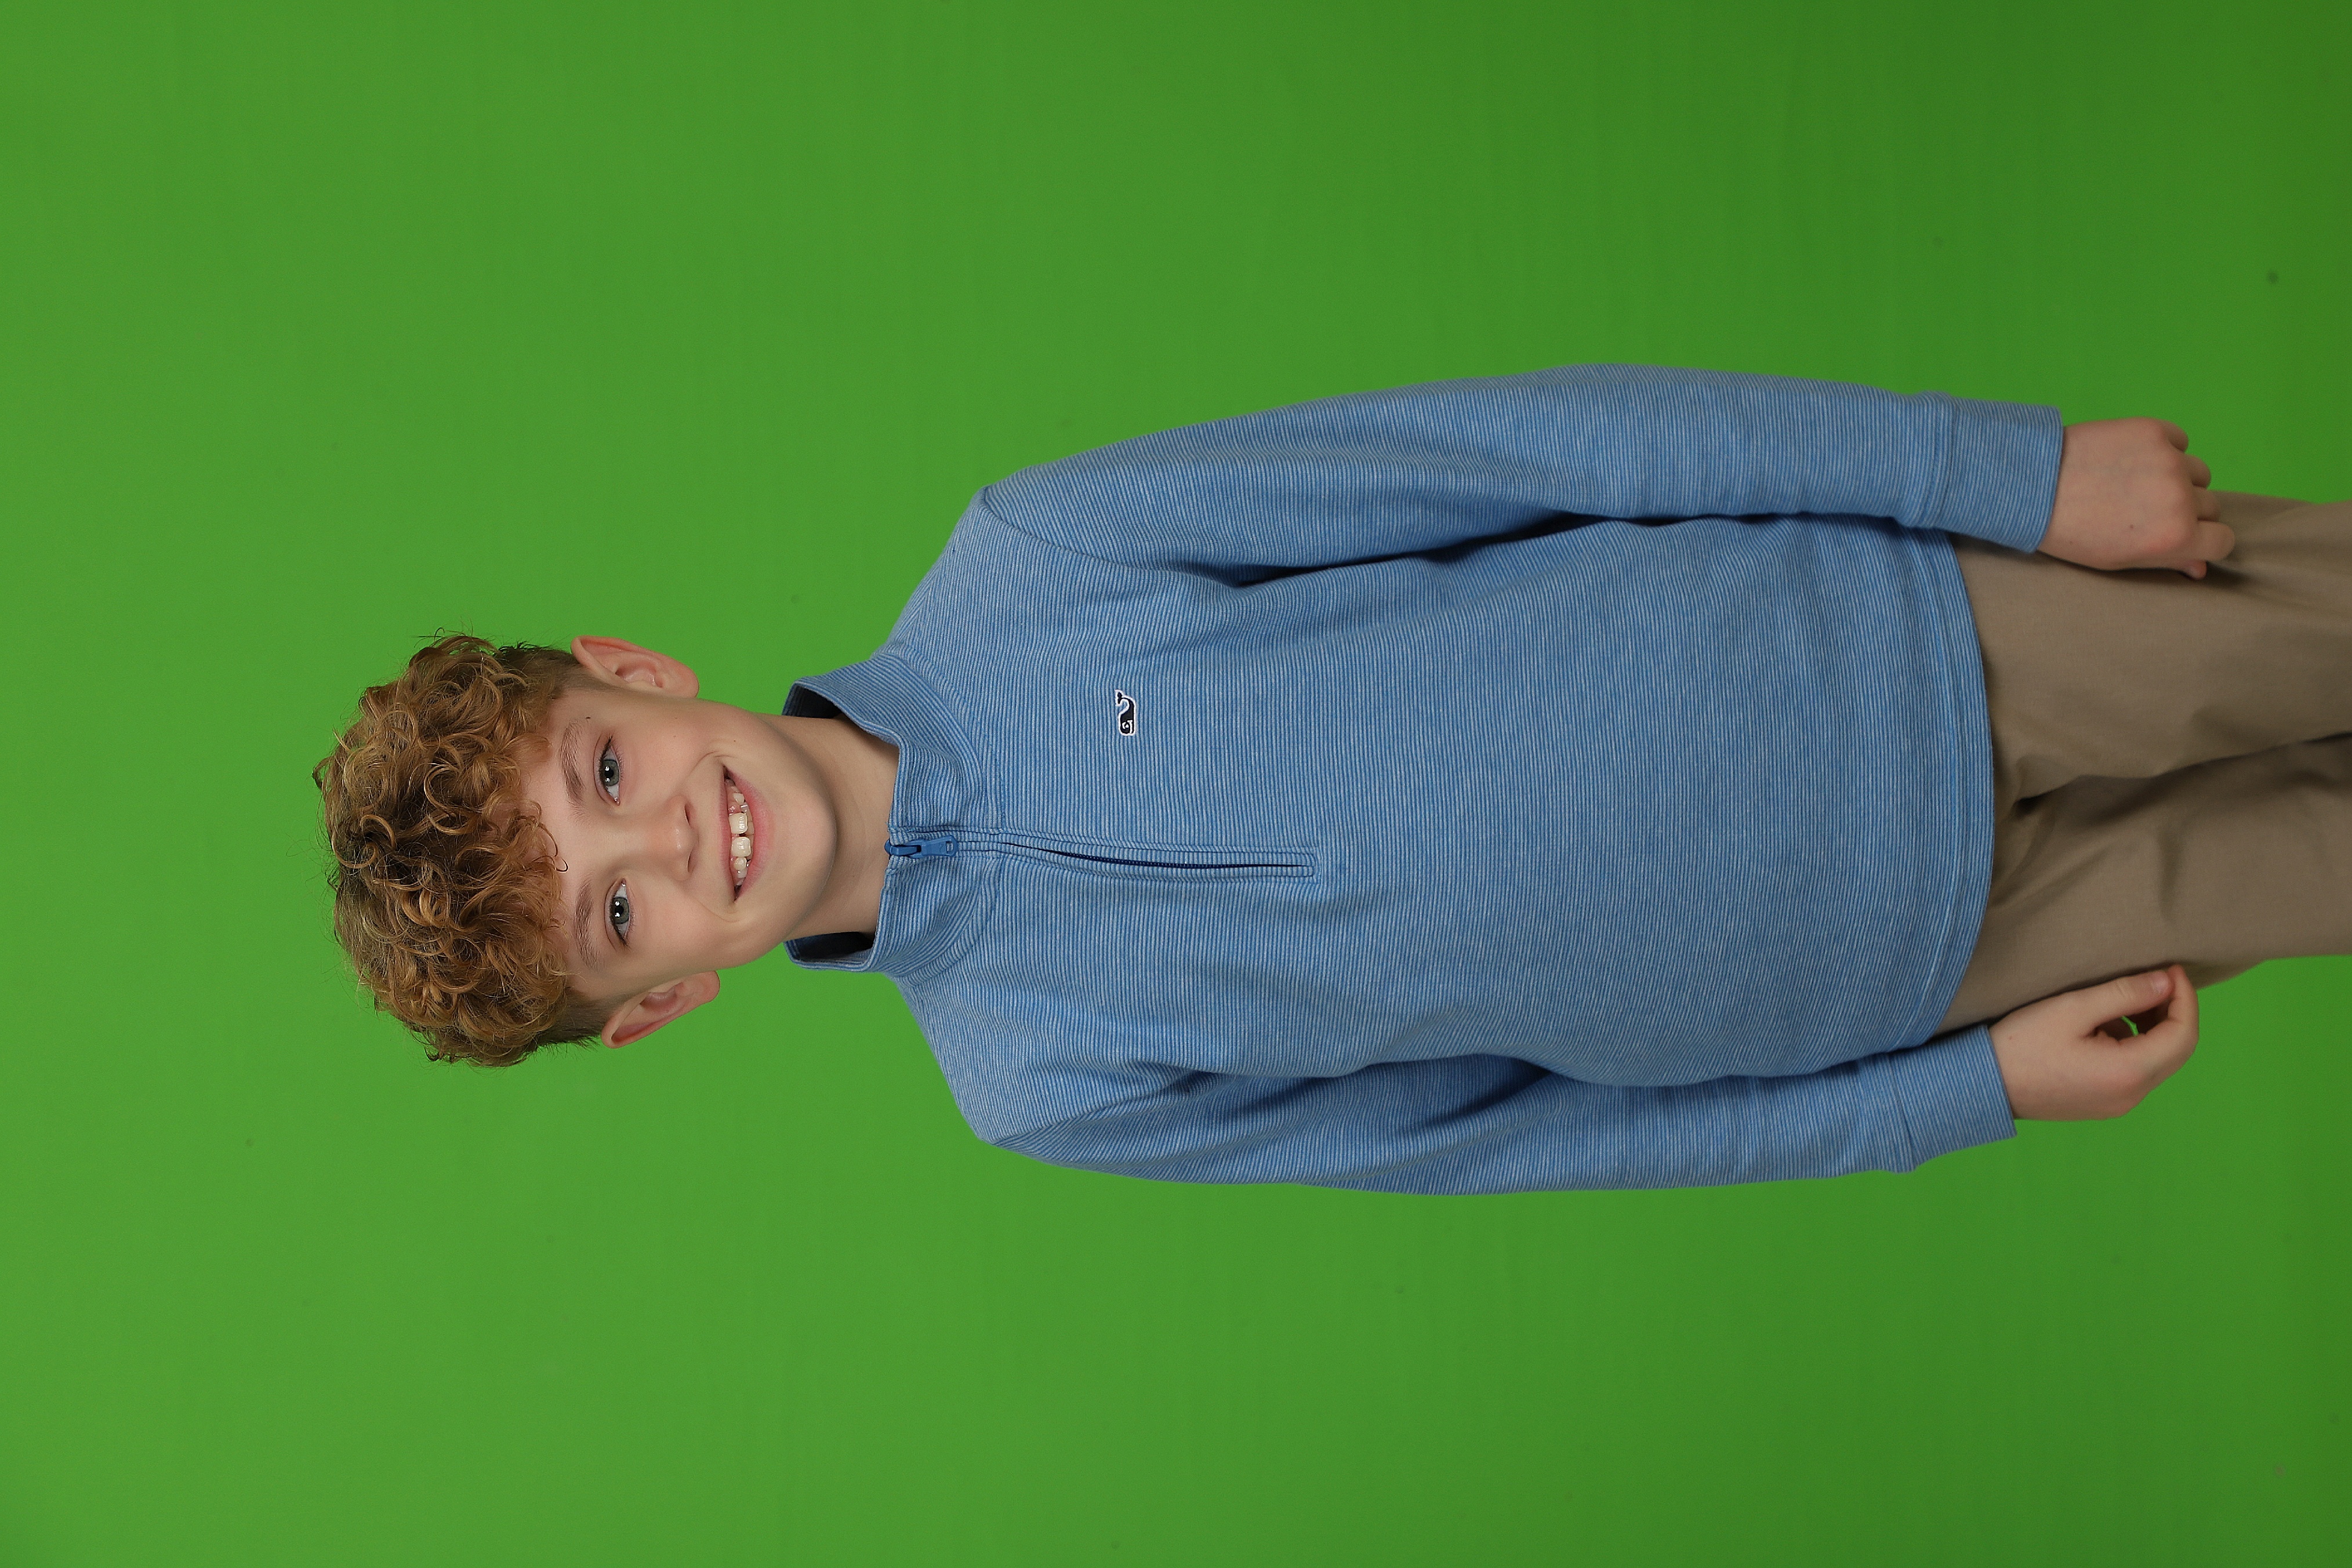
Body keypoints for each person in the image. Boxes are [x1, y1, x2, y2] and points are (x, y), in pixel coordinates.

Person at [316, 365, 2351, 1192]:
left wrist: (1998, 476)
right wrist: (1958, 1092)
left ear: (634, 672)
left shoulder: (1038, 558)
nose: (669, 834)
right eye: (618, 909)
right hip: (1922, 967)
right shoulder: (1040, 1083)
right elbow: (1510, 1143)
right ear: (662, 996)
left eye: (603, 769)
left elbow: (1532, 450)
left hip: (1928, 631)